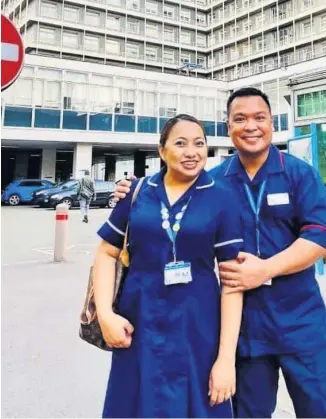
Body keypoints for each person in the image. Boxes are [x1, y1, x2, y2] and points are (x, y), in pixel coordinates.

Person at [114, 88, 326, 418]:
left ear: (271, 123)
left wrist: (265, 269)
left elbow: (320, 237)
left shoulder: (299, 173)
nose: (251, 126)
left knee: (323, 409)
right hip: (242, 328)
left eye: (259, 118)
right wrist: (133, 189)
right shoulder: (213, 181)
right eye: (240, 119)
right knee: (249, 413)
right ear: (228, 126)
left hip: (301, 321)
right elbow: (168, 189)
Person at [93, 114, 245, 418]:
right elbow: (106, 254)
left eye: (199, 143)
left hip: (198, 330)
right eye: (181, 143)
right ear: (162, 151)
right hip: (139, 326)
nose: (192, 152)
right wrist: (105, 315)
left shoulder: (222, 197)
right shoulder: (137, 193)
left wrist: (226, 359)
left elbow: (232, 282)